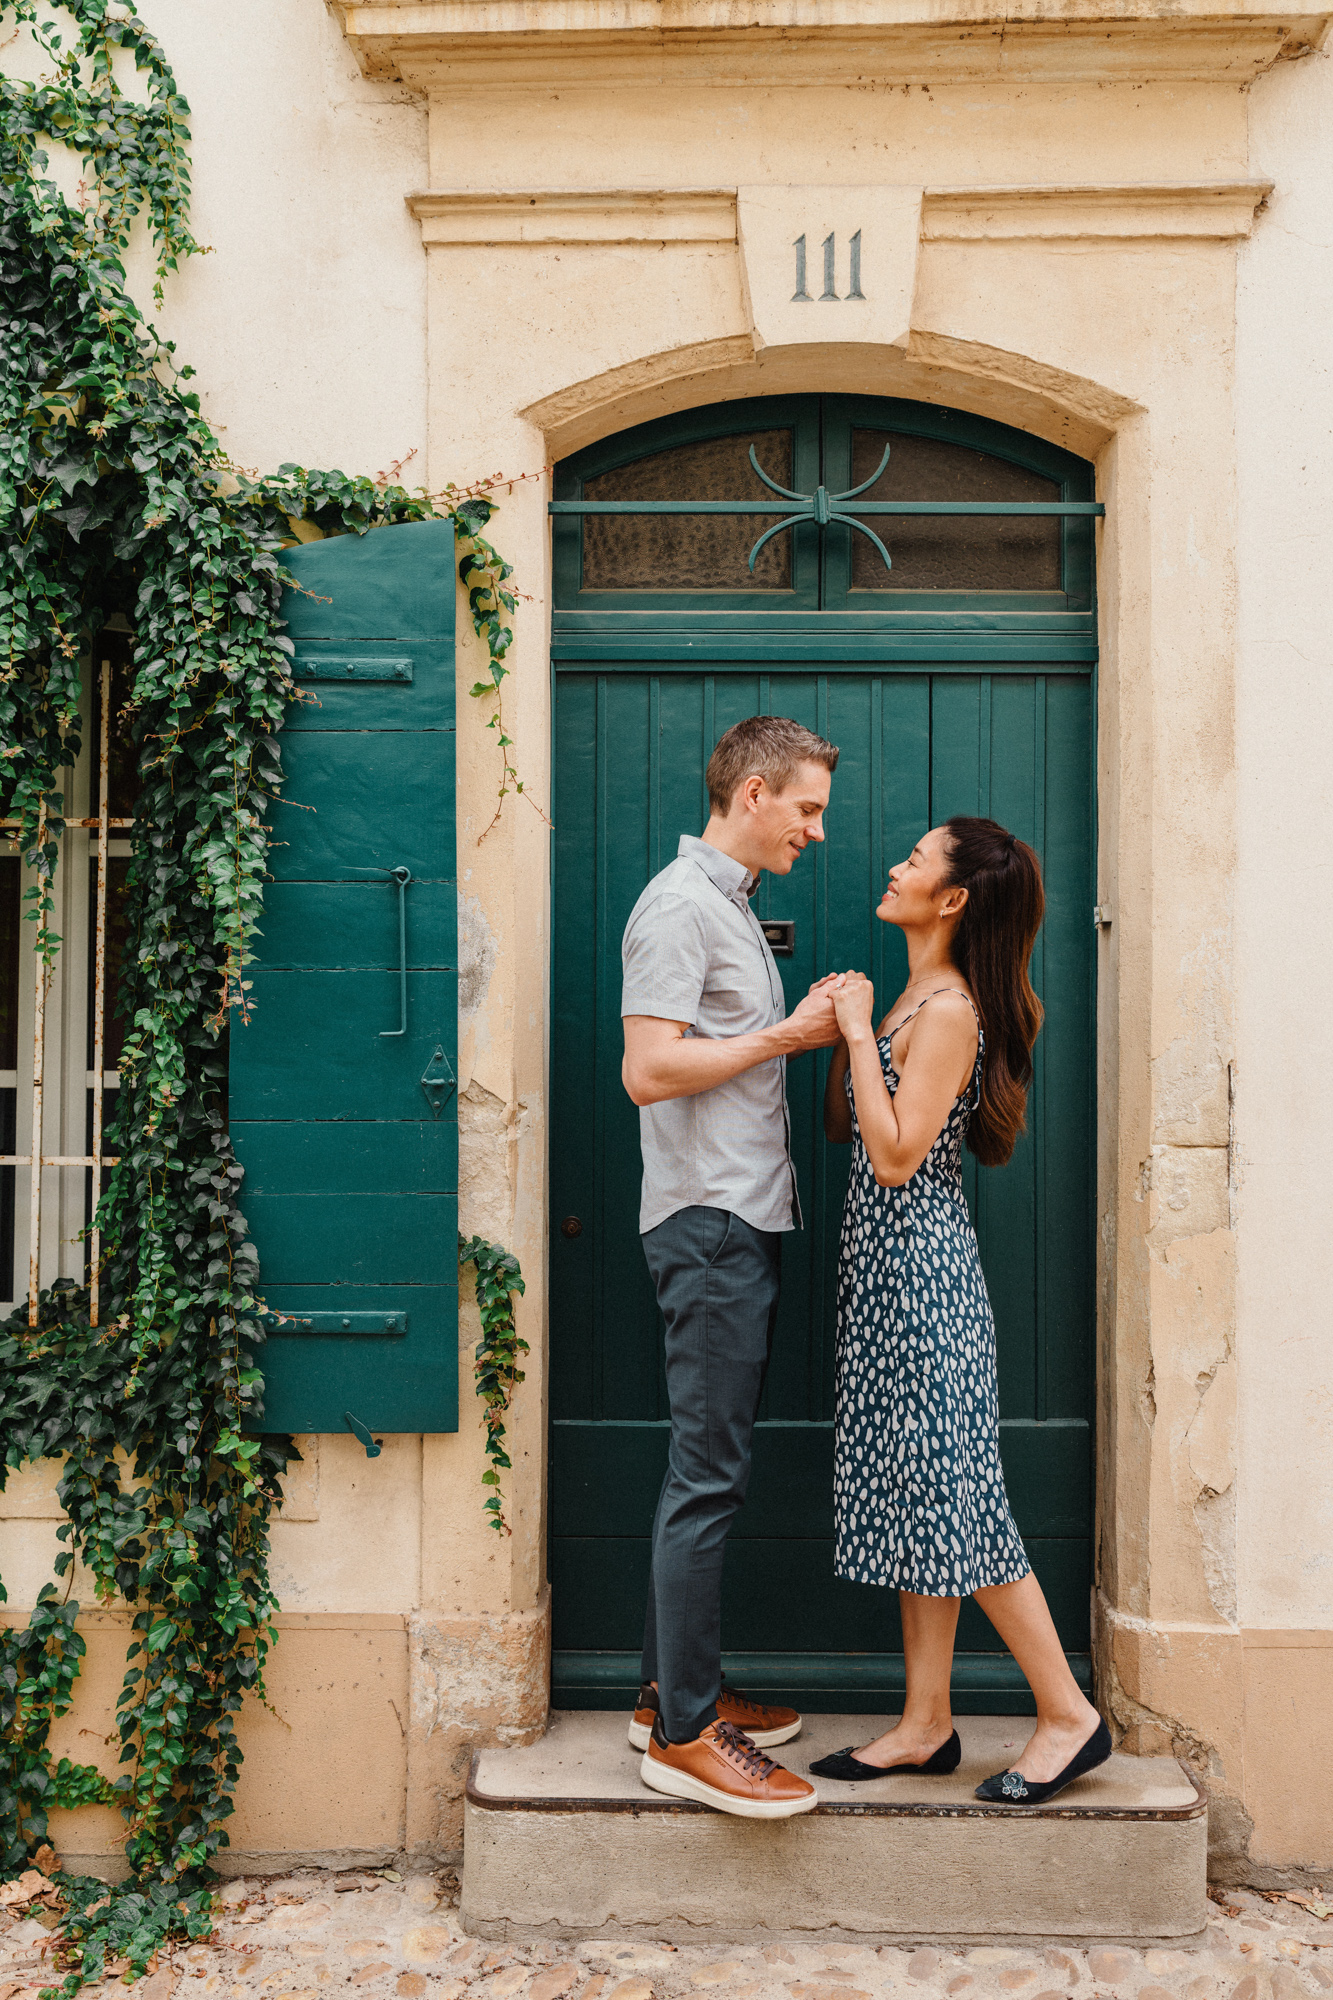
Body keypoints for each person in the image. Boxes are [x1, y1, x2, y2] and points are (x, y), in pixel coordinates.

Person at [810, 816, 1111, 1807]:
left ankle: (1067, 1713)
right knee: (920, 1505)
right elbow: (856, 1125)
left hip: (926, 1286)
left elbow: (895, 1155)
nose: (893, 864)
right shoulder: (917, 994)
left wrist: (855, 1031)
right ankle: (925, 1720)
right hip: (890, 1282)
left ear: (950, 900)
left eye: (915, 858)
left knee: (961, 1507)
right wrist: (849, 1030)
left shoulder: (946, 1009)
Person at [620, 714, 841, 1819]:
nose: (813, 829)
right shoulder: (677, 906)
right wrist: (786, 1038)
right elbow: (649, 1069)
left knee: (702, 1466)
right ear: (751, 793)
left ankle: (672, 1684)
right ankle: (684, 1733)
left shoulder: (725, 906)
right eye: (804, 807)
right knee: (708, 1476)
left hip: (731, 1220)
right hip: (707, 1224)